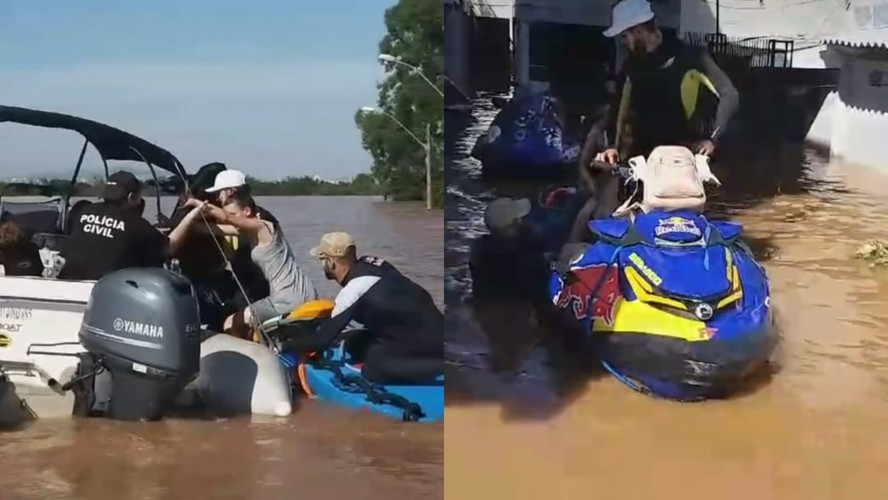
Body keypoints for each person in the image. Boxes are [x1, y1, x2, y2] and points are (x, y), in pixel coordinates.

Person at [282, 232, 442, 385]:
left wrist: (282, 346)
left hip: (424, 343)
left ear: (330, 263)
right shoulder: (372, 263)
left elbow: (321, 341)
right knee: (353, 342)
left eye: (322, 260)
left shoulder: (353, 290)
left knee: (373, 370)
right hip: (431, 327)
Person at [596, 0, 738, 164]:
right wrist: (612, 146)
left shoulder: (690, 56)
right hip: (644, 158)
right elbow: (617, 108)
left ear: (639, 31)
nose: (623, 43)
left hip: (685, 155)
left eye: (624, 36)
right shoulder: (630, 67)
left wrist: (712, 139)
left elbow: (729, 94)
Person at [182, 190, 318, 335]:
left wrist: (197, 203)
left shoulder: (261, 226)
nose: (231, 221)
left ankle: (242, 356)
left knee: (231, 322)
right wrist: (183, 223)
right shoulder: (260, 229)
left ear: (247, 211)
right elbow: (212, 230)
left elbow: (225, 216)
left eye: (234, 216)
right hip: (307, 291)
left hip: (286, 299)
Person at [59, 171, 201, 280]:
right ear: (131, 197)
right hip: (108, 292)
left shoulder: (82, 211)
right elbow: (169, 247)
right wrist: (192, 216)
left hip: (69, 283)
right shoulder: (135, 224)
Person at [204, 169, 279, 308]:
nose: (217, 197)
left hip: (260, 286)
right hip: (247, 282)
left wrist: (199, 227)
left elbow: (241, 231)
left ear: (230, 191)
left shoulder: (261, 216)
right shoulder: (248, 209)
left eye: (218, 193)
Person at [469, 198, 549, 301]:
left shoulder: (477, 248)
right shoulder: (529, 252)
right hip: (522, 304)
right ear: (516, 223)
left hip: (487, 302)